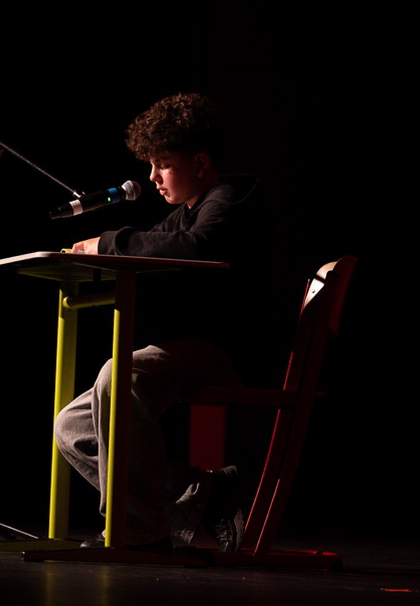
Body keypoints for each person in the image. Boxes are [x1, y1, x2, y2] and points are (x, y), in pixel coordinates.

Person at [54, 92, 275, 552]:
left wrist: (108, 243)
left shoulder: (227, 202)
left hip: (227, 352)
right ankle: (204, 494)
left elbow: (195, 247)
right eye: (151, 165)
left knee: (118, 376)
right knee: (73, 427)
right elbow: (158, 242)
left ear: (200, 162)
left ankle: (137, 531)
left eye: (164, 164)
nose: (153, 177)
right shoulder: (187, 211)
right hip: (191, 348)